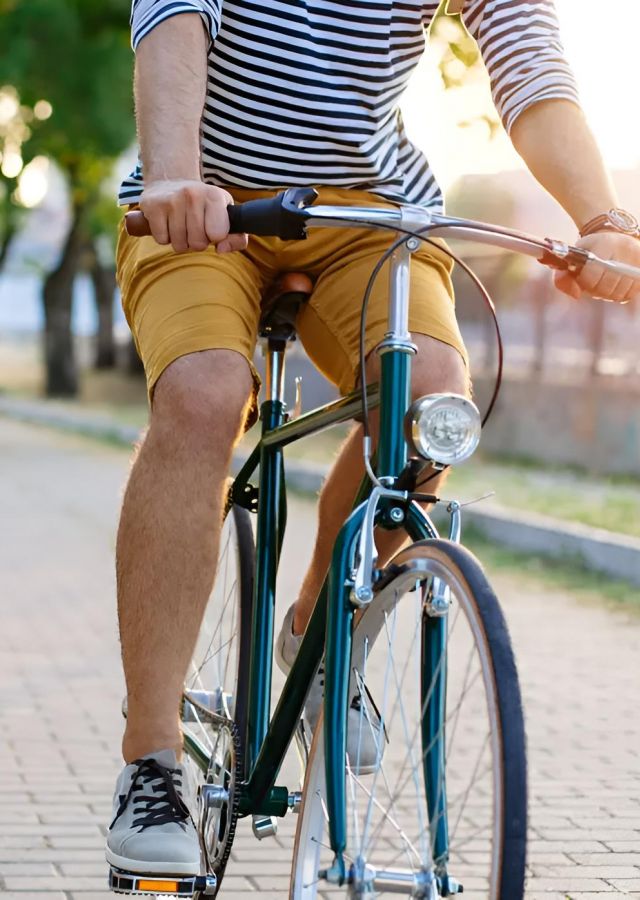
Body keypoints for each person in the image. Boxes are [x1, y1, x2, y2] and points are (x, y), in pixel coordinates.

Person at [107, 0, 640, 877]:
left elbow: (527, 55)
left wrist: (601, 217)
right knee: (203, 396)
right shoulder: (186, 180)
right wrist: (173, 173)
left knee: (431, 401)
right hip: (205, 197)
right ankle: (151, 758)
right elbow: (173, 14)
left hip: (367, 208)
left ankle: (320, 634)